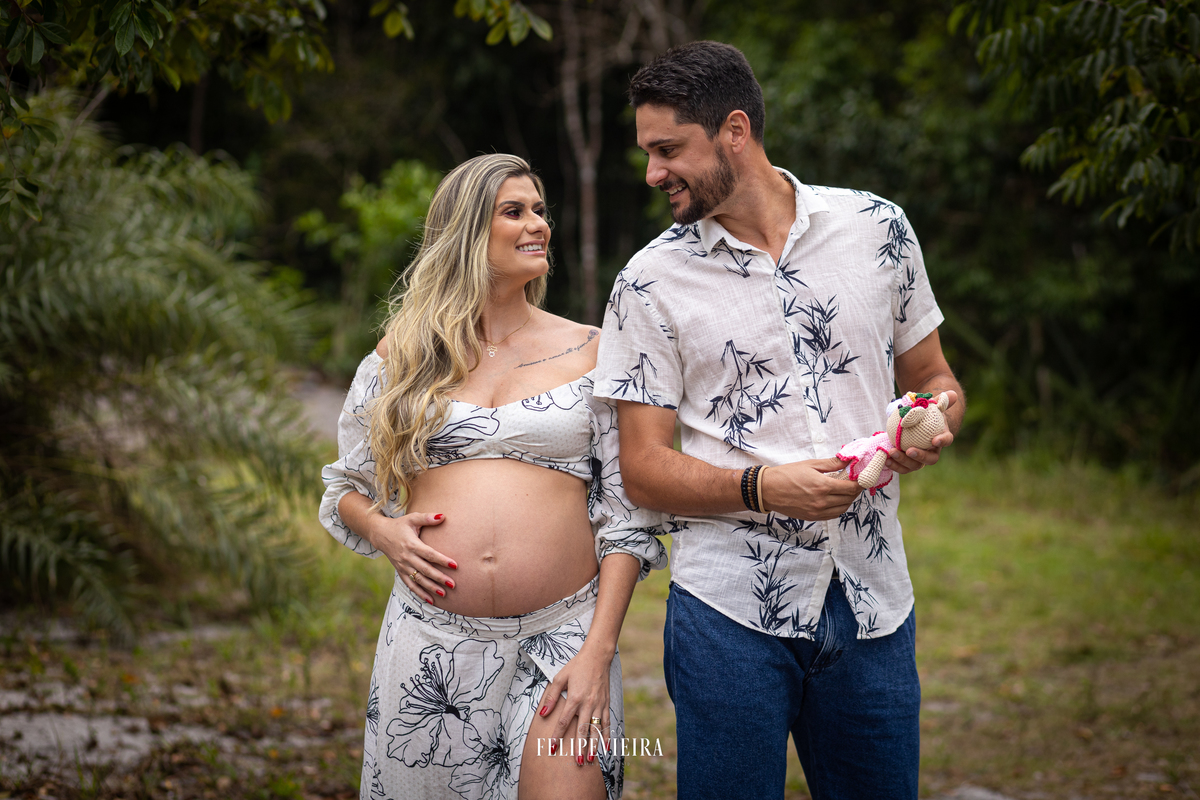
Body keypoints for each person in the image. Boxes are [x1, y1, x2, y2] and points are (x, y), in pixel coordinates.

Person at [593, 42, 966, 799]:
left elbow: (934, 377)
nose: (653, 173)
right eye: (648, 153)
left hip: (873, 600)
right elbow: (642, 468)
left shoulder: (878, 228)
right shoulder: (647, 283)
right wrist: (763, 488)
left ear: (735, 130)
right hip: (727, 615)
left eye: (668, 150)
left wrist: (933, 417)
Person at [318, 153, 666, 800]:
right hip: (430, 642)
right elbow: (346, 488)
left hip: (564, 636)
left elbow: (628, 515)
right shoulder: (404, 356)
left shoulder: (593, 349)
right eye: (514, 211)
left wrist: (598, 651)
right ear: (467, 231)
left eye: (540, 210)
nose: (538, 224)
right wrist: (385, 532)